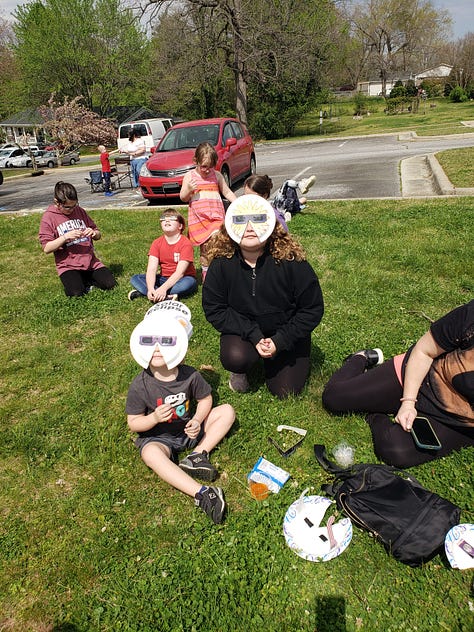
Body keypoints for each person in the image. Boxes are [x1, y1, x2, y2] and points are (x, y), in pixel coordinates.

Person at [322, 300, 474, 468]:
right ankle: (361, 357)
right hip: (425, 377)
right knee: (335, 398)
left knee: (395, 451)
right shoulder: (470, 317)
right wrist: (408, 402)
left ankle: (375, 413)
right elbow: (424, 351)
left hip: (460, 420)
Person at [202, 194, 324, 398]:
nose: (249, 228)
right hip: (245, 333)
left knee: (286, 391)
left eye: (257, 219)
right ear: (229, 226)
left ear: (271, 224)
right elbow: (215, 308)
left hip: (286, 332)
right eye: (241, 220)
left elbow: (311, 308)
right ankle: (243, 367)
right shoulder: (221, 264)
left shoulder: (291, 261)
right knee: (236, 357)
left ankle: (275, 360)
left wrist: (281, 340)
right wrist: (254, 335)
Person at [126, 314, 235, 524]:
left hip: (188, 430)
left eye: (165, 342)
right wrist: (154, 418)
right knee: (150, 454)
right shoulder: (140, 384)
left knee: (227, 411)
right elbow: (134, 422)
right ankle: (203, 494)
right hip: (159, 438)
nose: (157, 348)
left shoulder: (190, 375)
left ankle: (197, 455)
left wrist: (196, 419)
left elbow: (205, 399)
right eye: (150, 342)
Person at [38, 181, 117, 297]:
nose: (72, 209)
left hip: (90, 262)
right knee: (75, 293)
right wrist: (65, 237)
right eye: (67, 207)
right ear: (57, 202)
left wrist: (94, 233)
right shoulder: (48, 217)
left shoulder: (79, 211)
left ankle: (85, 279)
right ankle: (79, 281)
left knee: (110, 284)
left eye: (74, 205)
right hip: (68, 266)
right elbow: (46, 248)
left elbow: (98, 234)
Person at [179, 142, 236, 280]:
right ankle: (207, 275)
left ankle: (221, 272)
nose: (207, 170)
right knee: (205, 249)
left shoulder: (217, 176)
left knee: (219, 243)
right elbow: (183, 197)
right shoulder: (190, 176)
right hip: (200, 220)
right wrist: (188, 189)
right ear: (195, 161)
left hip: (216, 218)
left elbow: (227, 192)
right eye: (204, 166)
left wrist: (238, 203)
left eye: (210, 167)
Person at [128, 209, 198, 302]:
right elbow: (151, 269)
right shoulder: (156, 243)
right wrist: (150, 288)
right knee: (135, 278)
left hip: (183, 278)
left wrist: (163, 289)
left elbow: (180, 273)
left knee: (187, 284)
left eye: (172, 218)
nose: (167, 220)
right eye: (163, 219)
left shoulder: (185, 243)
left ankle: (150, 293)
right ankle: (163, 295)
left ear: (180, 226)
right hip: (163, 278)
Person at [124, 129, 147, 194]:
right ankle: (137, 187)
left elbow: (142, 150)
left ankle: (143, 186)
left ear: (133, 135)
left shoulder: (140, 141)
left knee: (139, 171)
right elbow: (129, 150)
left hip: (140, 159)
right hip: (133, 160)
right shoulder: (130, 143)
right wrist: (124, 151)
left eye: (129, 135)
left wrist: (134, 153)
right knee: (135, 174)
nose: (128, 136)